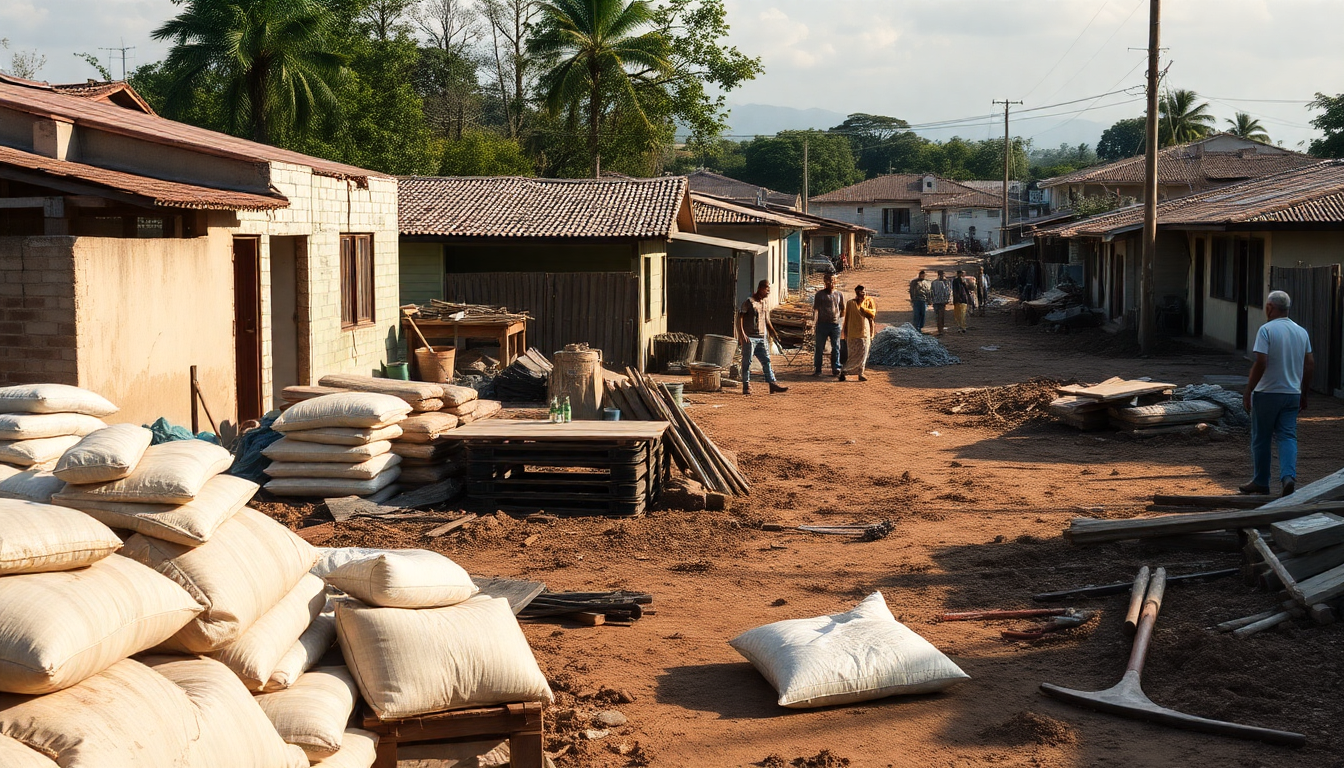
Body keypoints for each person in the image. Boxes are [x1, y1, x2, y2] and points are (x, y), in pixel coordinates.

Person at [1240, 290, 1314, 497]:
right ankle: (1288, 477)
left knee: (1261, 438)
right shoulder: (1301, 332)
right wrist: (1304, 393)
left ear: (1270, 307)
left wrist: (1249, 389)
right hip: (1292, 393)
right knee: (1288, 436)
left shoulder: (1266, 330)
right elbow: (1309, 365)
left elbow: (1261, 362)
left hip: (1268, 393)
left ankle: (1261, 481)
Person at [736, 280, 789, 396]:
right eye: (767, 289)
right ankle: (746, 385)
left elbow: (767, 320)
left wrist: (773, 333)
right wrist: (742, 334)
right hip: (750, 338)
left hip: (761, 337)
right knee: (747, 362)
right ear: (760, 288)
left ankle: (772, 383)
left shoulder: (764, 303)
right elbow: (740, 317)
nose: (768, 292)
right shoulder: (749, 302)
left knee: (766, 361)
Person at [840, 285, 876, 382]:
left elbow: (873, 314)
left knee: (863, 354)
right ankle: (844, 371)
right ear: (856, 294)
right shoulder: (850, 303)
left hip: (864, 332)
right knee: (852, 354)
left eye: (863, 293)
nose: (862, 295)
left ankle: (860, 373)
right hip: (852, 333)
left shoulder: (869, 302)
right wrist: (845, 332)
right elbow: (847, 318)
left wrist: (864, 309)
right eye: (859, 293)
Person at [812, 271, 844, 377]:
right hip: (822, 324)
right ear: (824, 282)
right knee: (819, 347)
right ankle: (818, 369)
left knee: (836, 347)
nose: (830, 283)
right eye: (828, 280)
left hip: (835, 325)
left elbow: (842, 309)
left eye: (832, 280)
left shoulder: (839, 295)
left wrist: (838, 319)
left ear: (835, 281)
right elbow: (816, 310)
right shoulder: (819, 295)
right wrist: (814, 323)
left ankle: (836, 368)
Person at [951, 269, 976, 333]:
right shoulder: (955, 281)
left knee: (962, 314)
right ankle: (959, 326)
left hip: (963, 299)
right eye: (960, 274)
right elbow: (954, 290)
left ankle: (963, 327)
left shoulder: (964, 281)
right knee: (957, 314)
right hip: (957, 299)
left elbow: (968, 290)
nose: (961, 275)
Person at [930, 270, 952, 336]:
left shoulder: (934, 282)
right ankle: (940, 330)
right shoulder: (946, 282)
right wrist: (947, 299)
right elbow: (948, 291)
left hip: (937, 301)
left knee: (939, 316)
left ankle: (940, 329)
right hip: (941, 301)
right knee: (940, 316)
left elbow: (931, 292)